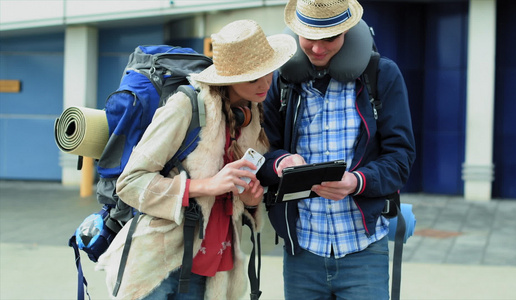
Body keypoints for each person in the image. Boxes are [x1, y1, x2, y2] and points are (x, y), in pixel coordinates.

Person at [95, 19, 296, 299]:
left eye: (269, 73)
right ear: (229, 76)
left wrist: (250, 198)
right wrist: (207, 185)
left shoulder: (251, 117)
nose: (265, 84)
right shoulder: (186, 106)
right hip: (161, 266)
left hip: (214, 264)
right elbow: (130, 183)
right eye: (253, 77)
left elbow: (237, 196)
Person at [257, 0, 416, 299]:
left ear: (346, 30)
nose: (318, 49)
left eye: (329, 38)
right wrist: (280, 162)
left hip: (363, 250)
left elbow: (401, 158)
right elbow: (263, 153)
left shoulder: (383, 75)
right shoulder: (280, 81)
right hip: (302, 250)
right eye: (309, 38)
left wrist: (357, 182)